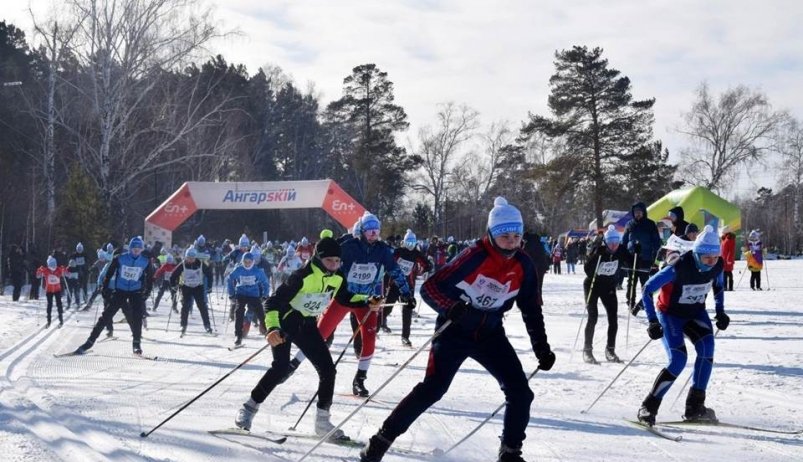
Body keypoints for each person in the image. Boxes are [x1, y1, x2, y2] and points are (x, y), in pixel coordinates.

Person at [359, 197, 555, 462]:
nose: (511, 241)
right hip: (455, 331)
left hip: (490, 334)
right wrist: (449, 307)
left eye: (516, 236)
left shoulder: (524, 265)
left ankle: (510, 453)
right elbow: (430, 288)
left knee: (521, 392)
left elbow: (531, 309)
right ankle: (380, 441)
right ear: (492, 234)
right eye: (505, 235)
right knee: (433, 389)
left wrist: (541, 347)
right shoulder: (474, 255)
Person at [233, 237, 376, 440]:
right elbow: (272, 303)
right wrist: (272, 329)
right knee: (281, 368)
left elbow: (345, 297)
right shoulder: (302, 276)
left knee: (328, 370)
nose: (334, 265)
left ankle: (322, 422)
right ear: (319, 258)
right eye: (329, 261)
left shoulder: (338, 277)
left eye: (337, 261)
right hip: (285, 321)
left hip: (307, 325)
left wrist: (367, 301)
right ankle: (248, 408)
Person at [287, 212, 414, 397]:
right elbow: (327, 261)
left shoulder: (382, 250)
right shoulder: (349, 247)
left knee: (370, 338)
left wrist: (407, 293)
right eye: (370, 231)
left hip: (367, 300)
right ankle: (294, 364)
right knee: (320, 333)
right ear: (362, 231)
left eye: (376, 231)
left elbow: (395, 271)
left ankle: (360, 380)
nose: (373, 234)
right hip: (344, 297)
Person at [636, 225, 729, 426]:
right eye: (706, 258)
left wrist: (720, 311)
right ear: (696, 254)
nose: (711, 263)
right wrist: (652, 320)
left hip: (695, 313)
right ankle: (648, 406)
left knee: (707, 348)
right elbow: (647, 288)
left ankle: (695, 406)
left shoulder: (717, 265)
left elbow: (719, 286)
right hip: (670, 315)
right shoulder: (678, 267)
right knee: (678, 359)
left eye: (714, 258)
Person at [75, 237, 153, 355]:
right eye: (134, 249)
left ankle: (136, 344)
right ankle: (89, 342)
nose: (136, 251)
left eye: (138, 249)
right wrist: (105, 288)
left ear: (141, 250)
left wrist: (147, 292)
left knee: (137, 317)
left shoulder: (145, 261)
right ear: (130, 249)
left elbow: (150, 278)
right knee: (106, 316)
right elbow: (109, 273)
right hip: (120, 290)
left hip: (135, 291)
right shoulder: (120, 259)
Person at [582, 225, 627, 364]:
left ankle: (610, 350)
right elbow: (587, 270)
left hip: (608, 286)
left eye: (616, 242)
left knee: (613, 318)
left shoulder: (620, 250)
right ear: (606, 242)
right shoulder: (598, 250)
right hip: (592, 285)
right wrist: (596, 256)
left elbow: (633, 260)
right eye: (611, 243)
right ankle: (587, 350)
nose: (614, 245)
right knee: (593, 317)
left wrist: (637, 251)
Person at [381, 229, 431, 346]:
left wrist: (426, 269)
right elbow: (388, 261)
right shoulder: (398, 252)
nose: (410, 246)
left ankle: (405, 337)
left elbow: (426, 264)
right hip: (395, 285)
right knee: (388, 307)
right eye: (408, 243)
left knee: (407, 312)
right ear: (404, 242)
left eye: (412, 244)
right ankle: (381, 322)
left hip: (409, 287)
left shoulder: (416, 254)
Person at [621, 202, 662, 313]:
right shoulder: (629, 224)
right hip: (631, 257)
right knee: (631, 282)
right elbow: (624, 241)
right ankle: (630, 302)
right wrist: (624, 256)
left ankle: (644, 303)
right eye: (635, 212)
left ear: (644, 212)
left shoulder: (650, 224)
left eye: (639, 212)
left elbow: (656, 242)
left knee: (645, 283)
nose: (637, 214)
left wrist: (655, 259)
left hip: (645, 258)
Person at [227, 252, 270, 347]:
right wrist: (231, 294)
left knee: (260, 313)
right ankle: (238, 335)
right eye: (245, 262)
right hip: (241, 294)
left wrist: (265, 295)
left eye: (249, 262)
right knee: (239, 312)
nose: (247, 264)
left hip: (253, 294)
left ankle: (268, 332)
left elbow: (265, 283)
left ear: (253, 262)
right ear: (242, 262)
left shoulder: (257, 271)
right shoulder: (238, 269)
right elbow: (229, 279)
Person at [170, 247, 214, 336]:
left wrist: (209, 286)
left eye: (192, 258)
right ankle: (183, 325)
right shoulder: (182, 264)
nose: (190, 260)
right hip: (186, 287)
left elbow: (209, 274)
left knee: (202, 306)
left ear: (195, 258)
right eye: (189, 258)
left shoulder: (201, 264)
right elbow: (173, 275)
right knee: (185, 305)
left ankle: (207, 325)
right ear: (186, 257)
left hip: (198, 287)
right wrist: (173, 285)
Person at [36, 256, 67, 328]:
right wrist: (39, 270)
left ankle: (61, 319)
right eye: (51, 264)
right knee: (49, 305)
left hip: (57, 290)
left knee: (59, 304)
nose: (53, 266)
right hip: (49, 290)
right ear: (48, 264)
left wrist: (64, 269)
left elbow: (66, 274)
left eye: (54, 264)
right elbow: (38, 276)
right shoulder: (46, 270)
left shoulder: (58, 269)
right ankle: (48, 320)